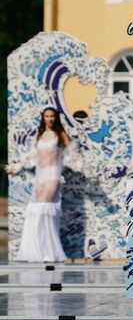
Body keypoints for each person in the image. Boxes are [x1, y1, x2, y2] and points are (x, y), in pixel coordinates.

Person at [6, 107, 74, 262]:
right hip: (40, 177)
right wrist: (16, 167)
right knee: (35, 210)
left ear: (56, 118)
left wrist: (85, 169)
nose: (50, 119)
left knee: (45, 209)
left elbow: (73, 154)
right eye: (47, 116)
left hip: (53, 175)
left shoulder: (60, 135)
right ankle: (35, 251)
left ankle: (50, 252)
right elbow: (31, 156)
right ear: (43, 118)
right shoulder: (40, 135)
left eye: (52, 116)